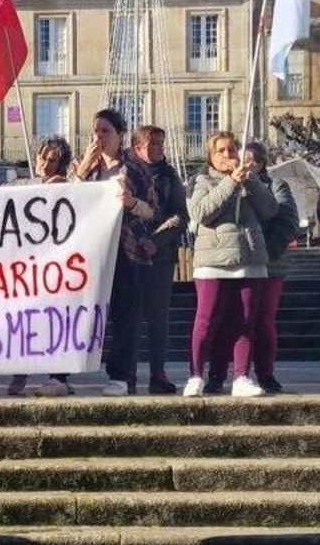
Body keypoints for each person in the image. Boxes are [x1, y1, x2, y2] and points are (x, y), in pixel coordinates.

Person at [183, 133, 278, 398]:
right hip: (213, 260)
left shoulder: (251, 178)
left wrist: (251, 182)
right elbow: (201, 213)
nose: (228, 155)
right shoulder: (201, 180)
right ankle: (196, 374)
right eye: (221, 151)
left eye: (232, 150)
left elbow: (270, 210)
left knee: (245, 321)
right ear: (211, 156)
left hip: (248, 257)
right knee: (206, 320)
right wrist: (230, 183)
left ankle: (241, 376)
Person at [72, 109, 158, 396]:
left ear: (120, 134)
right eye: (95, 131)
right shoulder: (85, 167)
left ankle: (121, 375)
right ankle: (63, 373)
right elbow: (68, 202)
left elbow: (152, 211)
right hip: (91, 250)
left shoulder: (135, 168)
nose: (99, 137)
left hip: (126, 249)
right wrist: (83, 169)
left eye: (105, 131)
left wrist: (132, 203)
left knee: (125, 316)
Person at [8, 137, 76, 398]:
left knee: (56, 319)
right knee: (23, 319)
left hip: (55, 266)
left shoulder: (68, 187)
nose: (46, 164)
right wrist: (43, 185)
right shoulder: (20, 184)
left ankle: (59, 376)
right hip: (25, 266)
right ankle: (20, 372)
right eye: (42, 157)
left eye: (52, 160)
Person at [133, 125, 189, 395]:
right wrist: (138, 238)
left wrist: (156, 240)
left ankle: (158, 372)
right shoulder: (126, 174)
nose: (158, 148)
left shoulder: (169, 175)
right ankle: (126, 373)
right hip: (129, 253)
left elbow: (180, 215)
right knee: (129, 317)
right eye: (152, 143)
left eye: (160, 143)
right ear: (137, 148)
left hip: (161, 255)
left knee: (158, 317)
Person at [246, 142, 297, 393]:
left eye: (250, 160)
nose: (244, 165)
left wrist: (267, 253)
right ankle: (234, 373)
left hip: (269, 264)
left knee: (264, 320)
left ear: (260, 164)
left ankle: (265, 372)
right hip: (239, 262)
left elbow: (287, 222)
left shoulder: (276, 186)